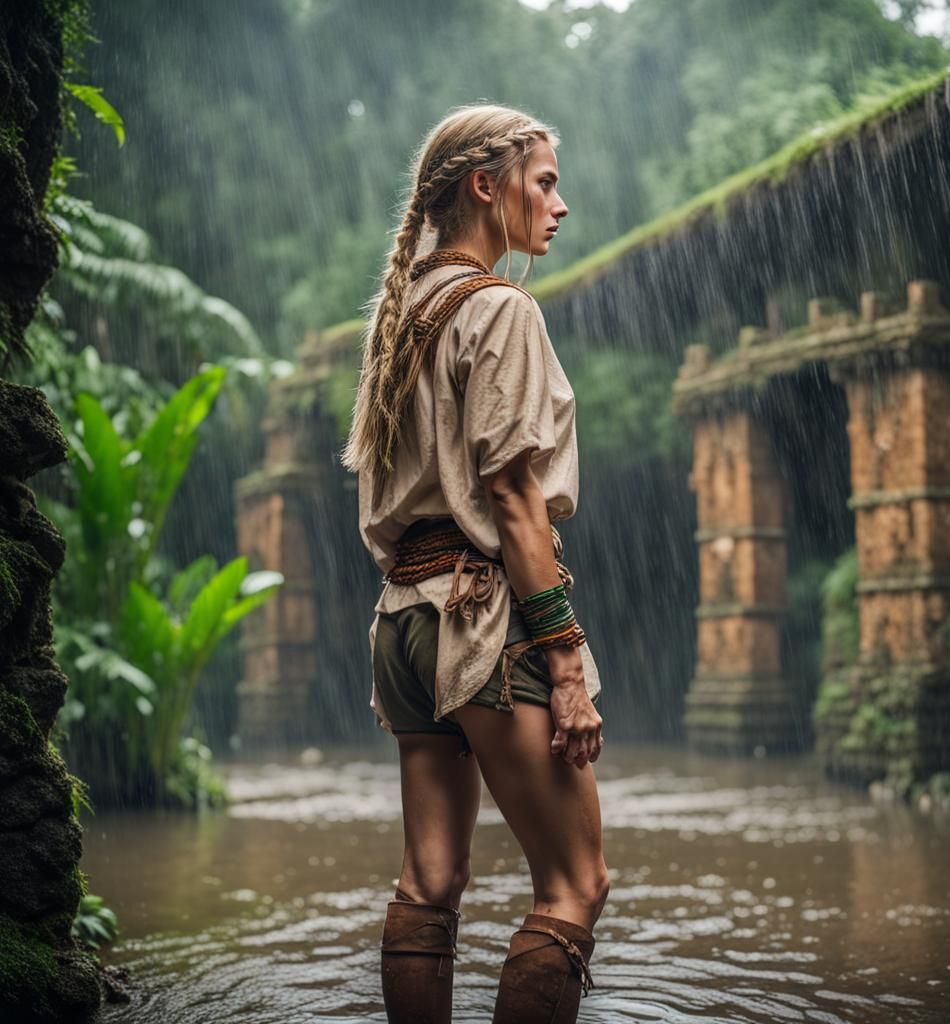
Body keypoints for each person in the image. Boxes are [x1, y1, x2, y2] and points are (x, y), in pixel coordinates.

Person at [340, 102, 609, 1024]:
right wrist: (564, 658)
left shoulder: (397, 314)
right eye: (545, 182)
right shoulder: (500, 308)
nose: (559, 204)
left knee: (431, 878)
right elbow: (511, 497)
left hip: (404, 623)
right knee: (575, 883)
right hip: (484, 614)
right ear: (484, 187)